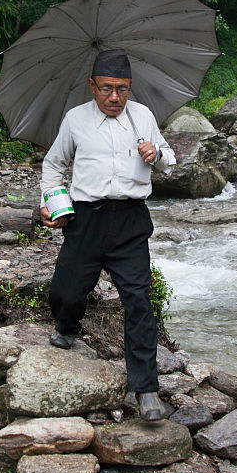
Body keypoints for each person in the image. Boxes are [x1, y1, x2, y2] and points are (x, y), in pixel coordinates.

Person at [39, 48, 175, 421]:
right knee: (66, 292)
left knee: (138, 301)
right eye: (107, 89)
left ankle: (146, 388)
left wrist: (156, 154)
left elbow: (169, 158)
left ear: (130, 88)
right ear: (92, 86)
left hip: (131, 221)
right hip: (85, 220)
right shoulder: (75, 120)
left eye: (123, 89)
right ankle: (67, 325)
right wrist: (49, 201)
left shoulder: (143, 116)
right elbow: (54, 165)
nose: (114, 98)